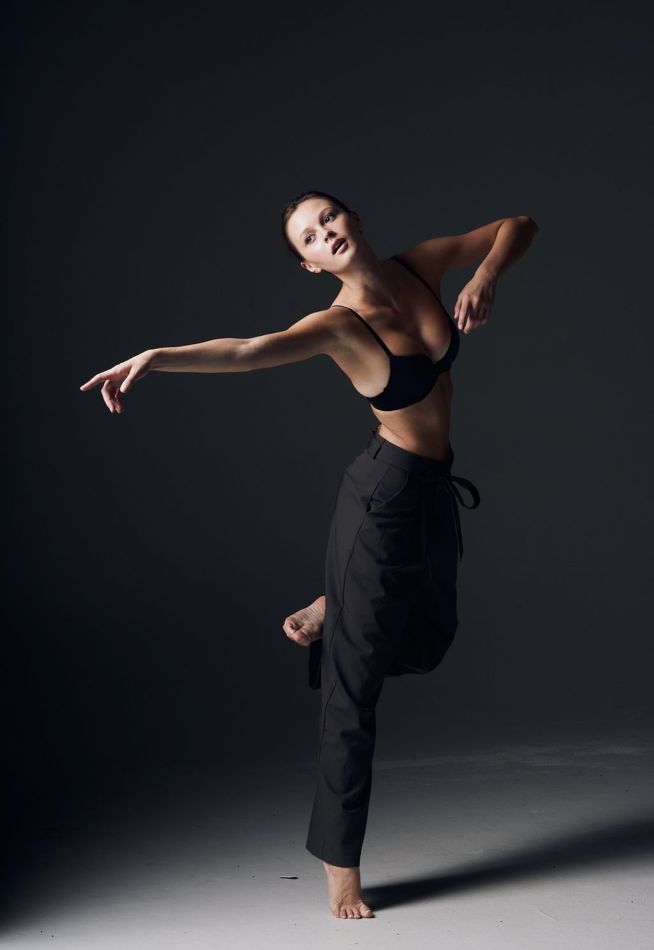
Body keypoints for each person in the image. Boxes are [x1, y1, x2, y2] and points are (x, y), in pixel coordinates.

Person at [80, 192, 539, 919]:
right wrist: (157, 358)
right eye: (309, 238)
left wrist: (484, 277)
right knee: (351, 694)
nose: (325, 234)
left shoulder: (420, 268)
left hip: (432, 489)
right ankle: (340, 866)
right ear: (309, 264)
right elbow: (246, 350)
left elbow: (518, 225)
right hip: (382, 499)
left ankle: (339, 603)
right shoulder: (337, 325)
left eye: (329, 218)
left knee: (431, 639)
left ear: (354, 220)